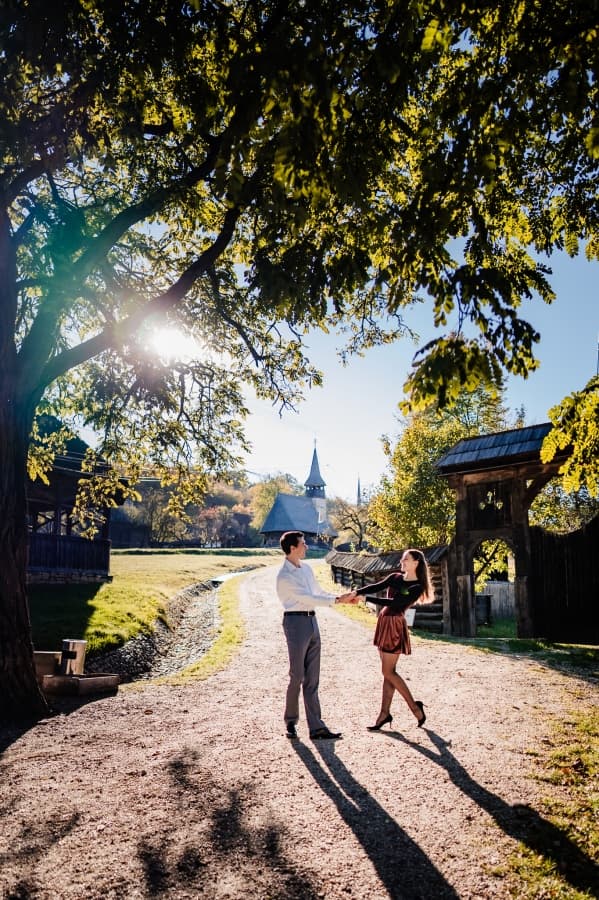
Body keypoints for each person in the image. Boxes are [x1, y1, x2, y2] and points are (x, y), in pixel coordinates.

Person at [277, 530, 356, 741]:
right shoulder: (284, 576)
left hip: (312, 621)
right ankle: (291, 721)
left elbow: (318, 592)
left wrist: (340, 598)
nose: (306, 546)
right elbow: (307, 597)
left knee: (312, 678)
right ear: (292, 548)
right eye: (303, 543)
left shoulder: (306, 569)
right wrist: (337, 600)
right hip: (295, 623)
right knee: (297, 675)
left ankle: (316, 727)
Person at [350, 548, 433, 731]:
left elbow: (395, 603)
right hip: (384, 621)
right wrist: (356, 592)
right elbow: (375, 586)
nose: (402, 562)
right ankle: (384, 714)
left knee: (388, 672)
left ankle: (414, 707)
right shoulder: (395, 577)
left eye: (406, 559)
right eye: (402, 559)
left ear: (416, 563)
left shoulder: (417, 587)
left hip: (394, 625)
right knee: (389, 673)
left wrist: (365, 598)